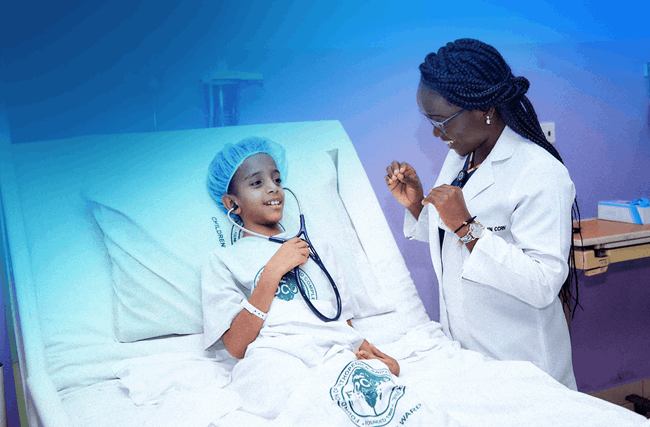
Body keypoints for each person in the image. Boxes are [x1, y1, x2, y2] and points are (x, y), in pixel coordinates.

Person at [385, 38, 579, 390]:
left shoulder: (540, 172)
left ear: (484, 109)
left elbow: (543, 283)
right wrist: (417, 206)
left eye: (441, 121)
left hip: (523, 360)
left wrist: (466, 226)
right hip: (470, 353)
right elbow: (455, 244)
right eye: (428, 120)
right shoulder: (462, 156)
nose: (434, 132)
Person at [201, 136, 399, 376]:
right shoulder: (222, 261)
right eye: (256, 183)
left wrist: (372, 358)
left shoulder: (318, 250)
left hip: (331, 355)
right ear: (233, 202)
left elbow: (342, 325)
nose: (273, 187)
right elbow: (236, 346)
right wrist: (272, 271)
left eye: (277, 179)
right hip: (276, 361)